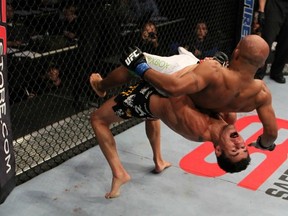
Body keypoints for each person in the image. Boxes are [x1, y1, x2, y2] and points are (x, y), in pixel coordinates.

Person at [121, 34, 277, 153]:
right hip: (196, 72)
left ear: (236, 53)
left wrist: (139, 66)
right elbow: (271, 133)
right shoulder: (261, 94)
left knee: (134, 62)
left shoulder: (215, 71)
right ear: (263, 64)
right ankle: (185, 53)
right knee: (193, 59)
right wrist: (264, 144)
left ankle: (101, 84)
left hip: (180, 74)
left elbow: (173, 88)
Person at [254, 0, 288, 83]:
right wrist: (261, 9)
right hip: (276, 4)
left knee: (286, 43)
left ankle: (277, 72)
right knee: (266, 40)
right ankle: (258, 73)